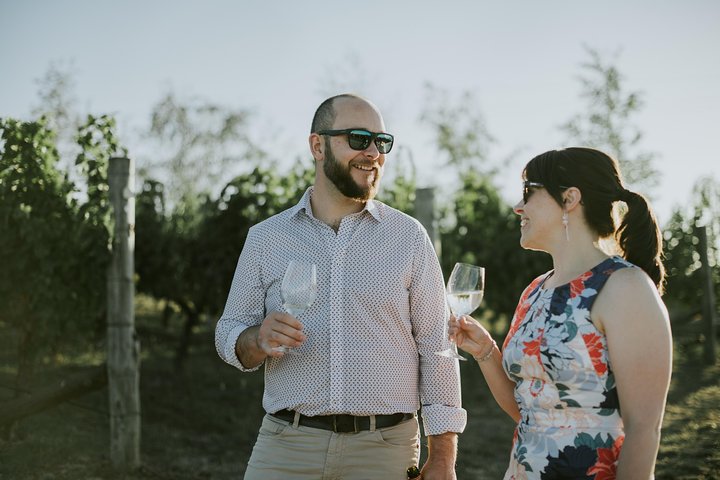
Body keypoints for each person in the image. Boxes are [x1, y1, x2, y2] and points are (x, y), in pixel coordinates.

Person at [215, 93, 466, 479]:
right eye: (359, 139)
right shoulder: (266, 239)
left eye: (381, 143)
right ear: (318, 145)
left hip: (386, 452)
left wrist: (443, 457)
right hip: (286, 446)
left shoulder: (409, 237)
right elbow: (228, 331)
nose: (373, 153)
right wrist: (255, 339)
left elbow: (437, 348)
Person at [449, 147, 672, 479]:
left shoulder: (626, 287)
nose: (517, 207)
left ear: (570, 199)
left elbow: (644, 429)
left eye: (528, 191)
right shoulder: (536, 290)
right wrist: (485, 353)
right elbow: (529, 412)